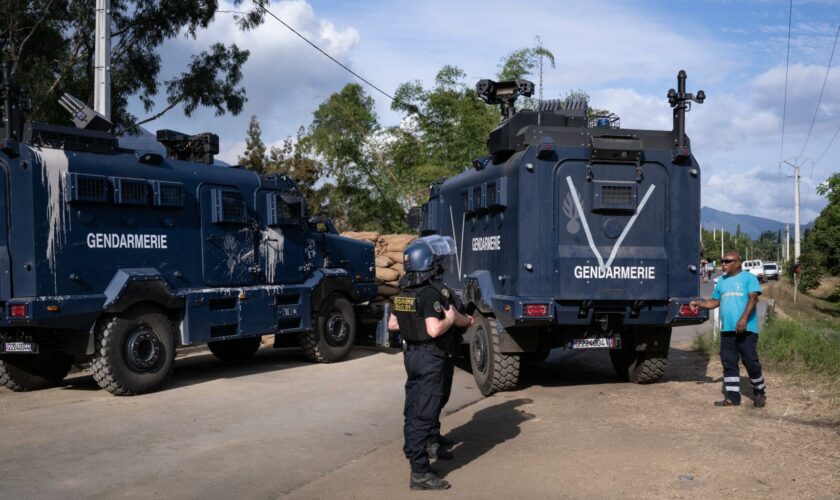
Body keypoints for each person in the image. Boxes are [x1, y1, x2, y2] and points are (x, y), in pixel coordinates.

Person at [388, 235, 473, 490]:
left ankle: (418, 458)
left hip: (411, 357)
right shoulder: (429, 294)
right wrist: (448, 319)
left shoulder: (404, 293)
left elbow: (393, 324)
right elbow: (435, 329)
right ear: (429, 265)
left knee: (414, 410)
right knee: (424, 415)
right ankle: (420, 473)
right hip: (429, 358)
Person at [690, 251, 767, 407]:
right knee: (729, 362)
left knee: (750, 362)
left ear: (738, 263)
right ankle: (732, 397)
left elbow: (753, 299)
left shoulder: (749, 278)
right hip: (727, 331)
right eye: (723, 261)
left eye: (727, 261)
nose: (723, 264)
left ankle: (759, 392)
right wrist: (701, 303)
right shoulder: (722, 282)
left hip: (747, 329)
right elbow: (715, 301)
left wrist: (744, 318)